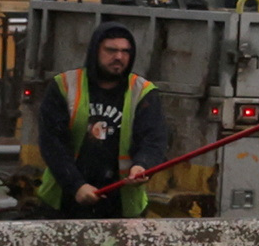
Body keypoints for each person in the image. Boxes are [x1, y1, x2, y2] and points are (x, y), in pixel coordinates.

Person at [35, 20, 172, 215]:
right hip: (65, 201)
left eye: (125, 51)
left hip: (122, 204)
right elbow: (53, 143)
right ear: (95, 51)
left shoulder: (143, 91)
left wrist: (142, 166)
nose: (119, 57)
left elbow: (154, 140)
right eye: (111, 50)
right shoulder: (64, 86)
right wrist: (76, 185)